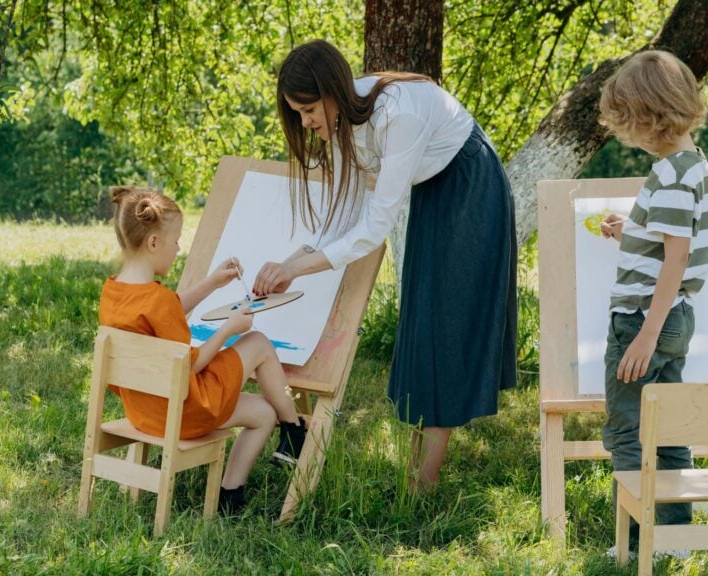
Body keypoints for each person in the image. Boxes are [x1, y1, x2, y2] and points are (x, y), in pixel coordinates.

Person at [252, 39, 517, 492]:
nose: (306, 121)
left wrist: (297, 270)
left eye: (309, 109)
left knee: (444, 328)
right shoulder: (340, 124)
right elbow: (344, 212)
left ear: (333, 92)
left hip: (471, 188)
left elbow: (374, 227)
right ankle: (415, 474)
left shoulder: (399, 113)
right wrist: (291, 259)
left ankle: (422, 489)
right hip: (437, 190)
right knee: (422, 323)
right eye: (298, 113)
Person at [99, 185, 306, 514]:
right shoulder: (159, 301)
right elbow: (190, 368)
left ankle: (230, 496)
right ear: (153, 243)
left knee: (263, 414)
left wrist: (211, 282)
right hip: (185, 411)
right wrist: (229, 329)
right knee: (259, 343)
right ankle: (295, 428)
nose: (178, 248)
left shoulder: (114, 292)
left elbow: (164, 313)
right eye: (176, 240)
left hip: (145, 412)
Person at [597, 50, 708, 553]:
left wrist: (644, 333)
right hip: (676, 318)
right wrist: (632, 230)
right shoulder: (693, 166)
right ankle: (676, 534)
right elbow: (670, 240)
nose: (628, 134)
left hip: (643, 321)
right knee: (668, 429)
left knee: (627, 430)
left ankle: (639, 537)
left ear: (649, 117)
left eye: (629, 123)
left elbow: (676, 260)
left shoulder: (667, 174)